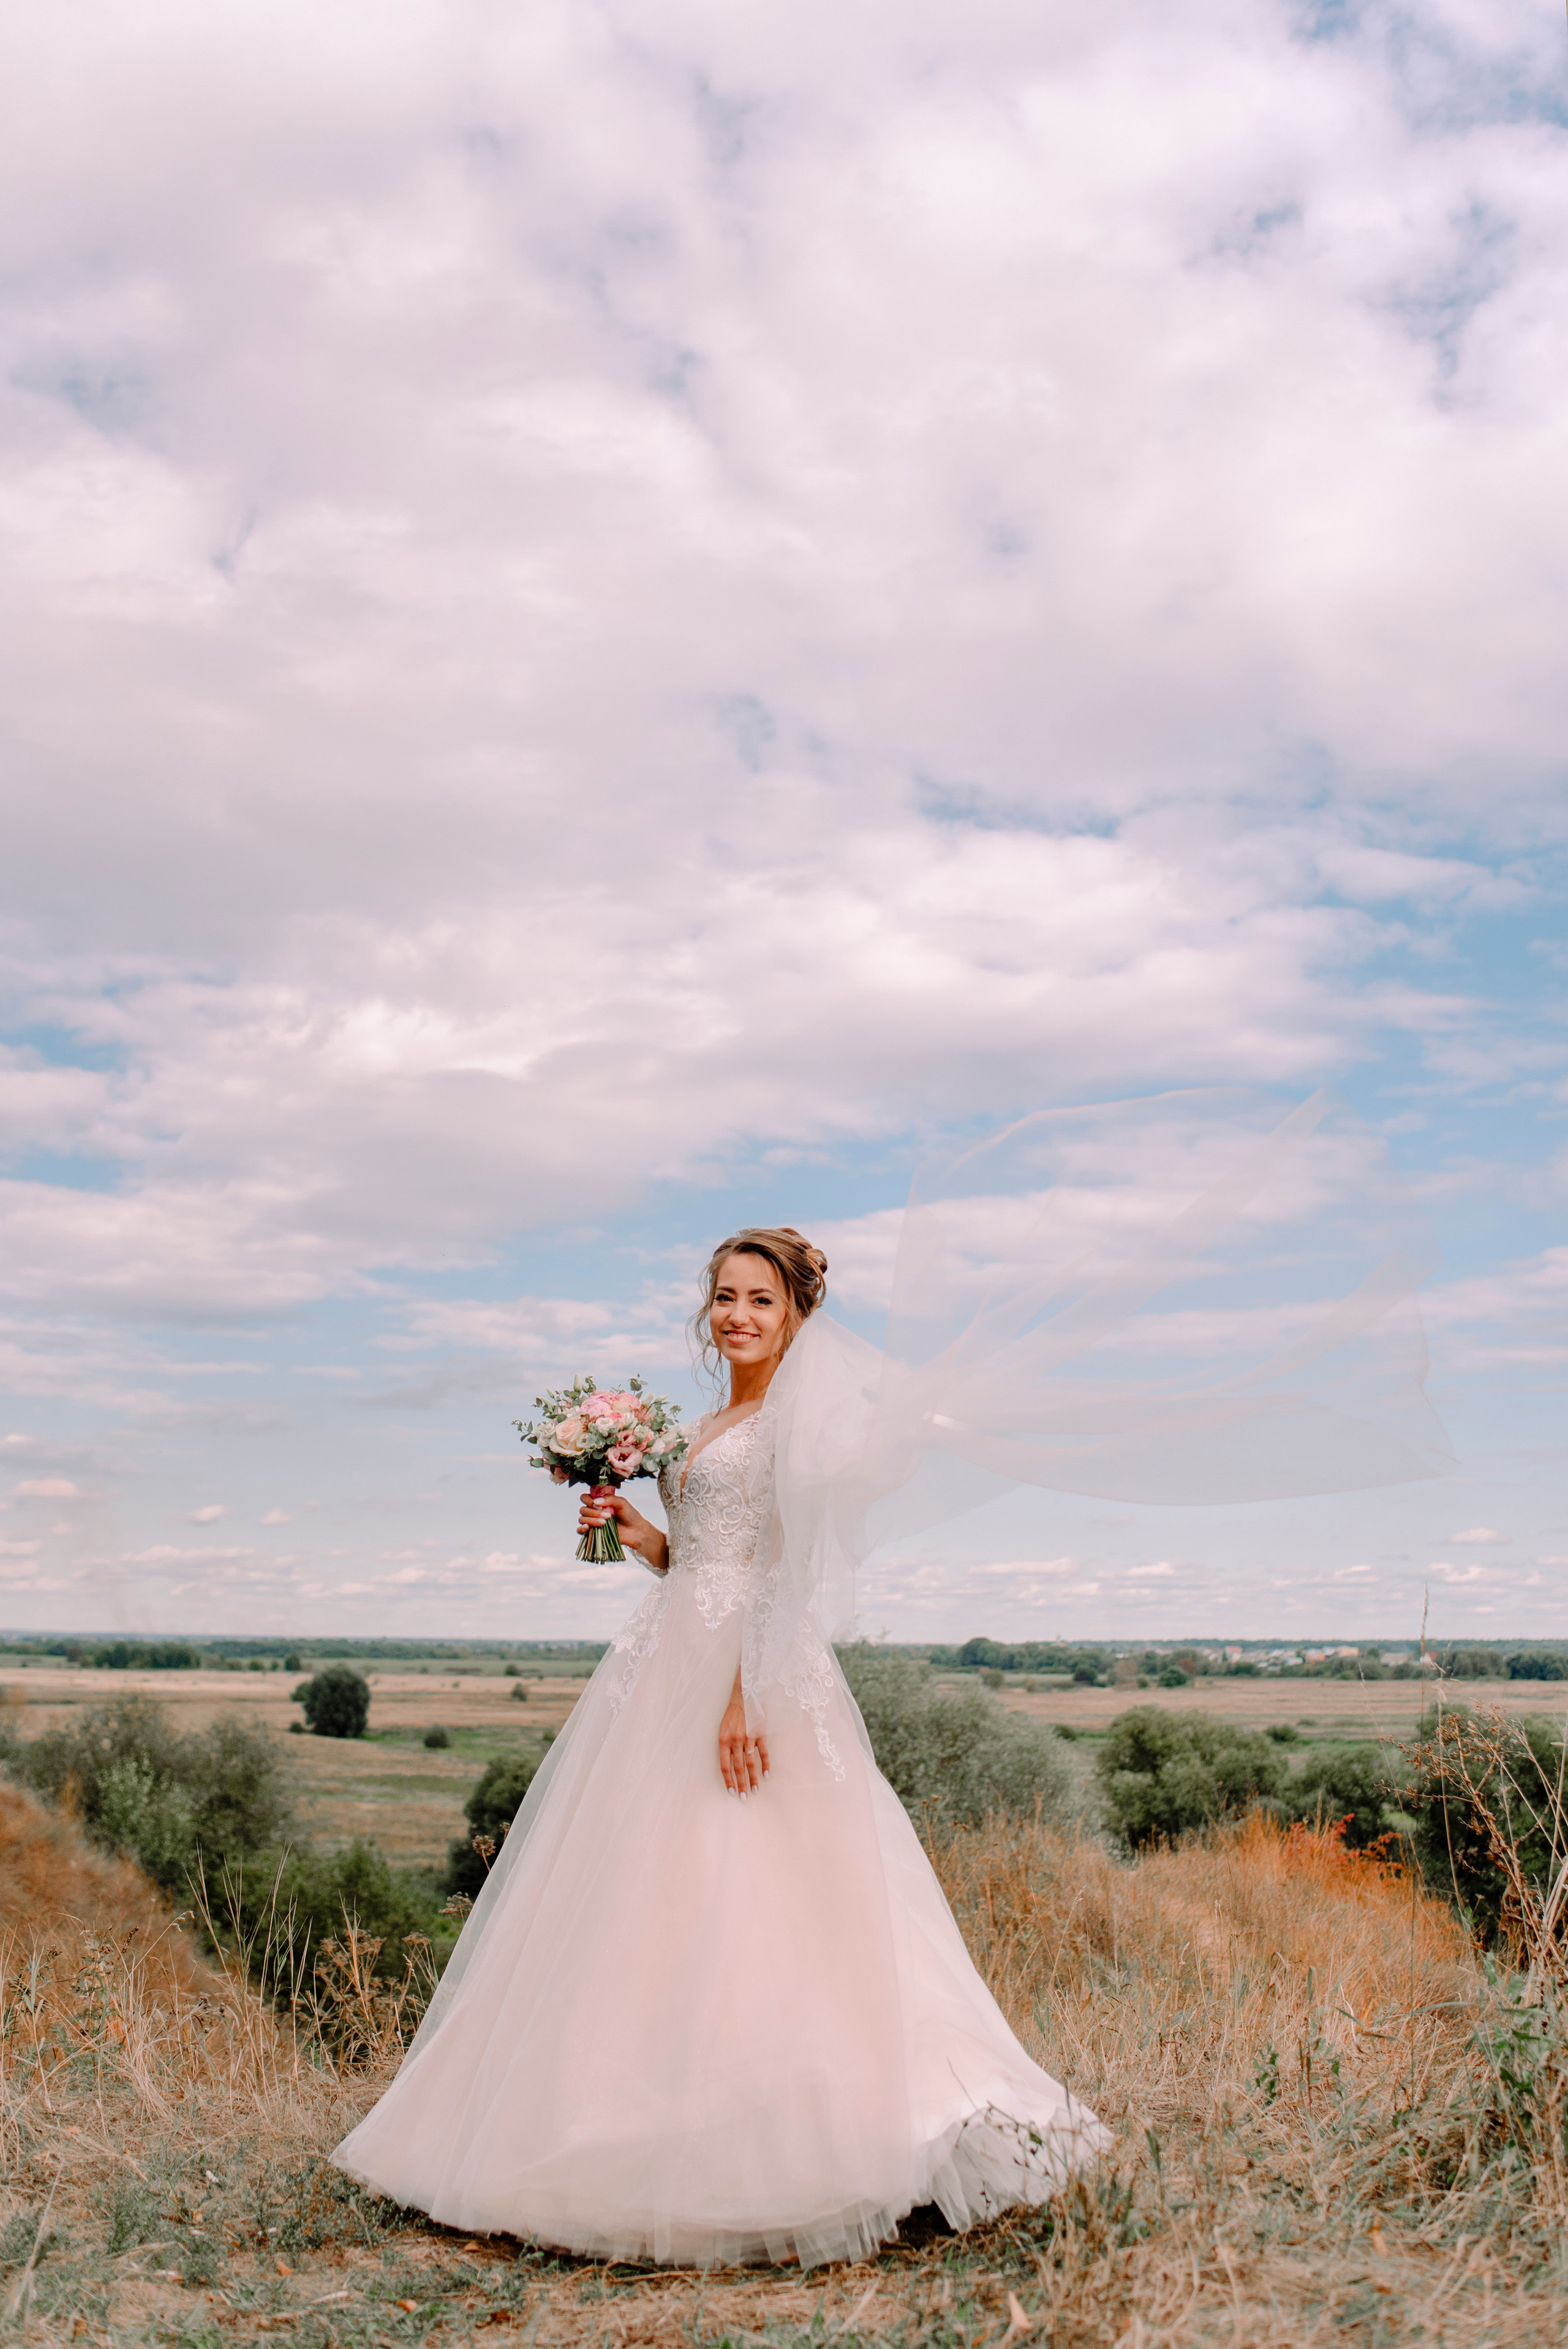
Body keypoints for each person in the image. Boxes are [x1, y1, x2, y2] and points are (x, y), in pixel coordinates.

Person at [331, 1225, 1109, 2267]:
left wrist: (746, 1696)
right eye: (726, 1297)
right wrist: (647, 1539)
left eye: (761, 1299)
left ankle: (826, 2134)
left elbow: (786, 1576)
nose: (738, 1314)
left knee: (764, 1888)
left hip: (753, 1676)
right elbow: (706, 1558)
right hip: (667, 1662)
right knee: (642, 1891)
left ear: (795, 1315)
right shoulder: (714, 1420)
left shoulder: (801, 1426)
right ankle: (613, 2115)